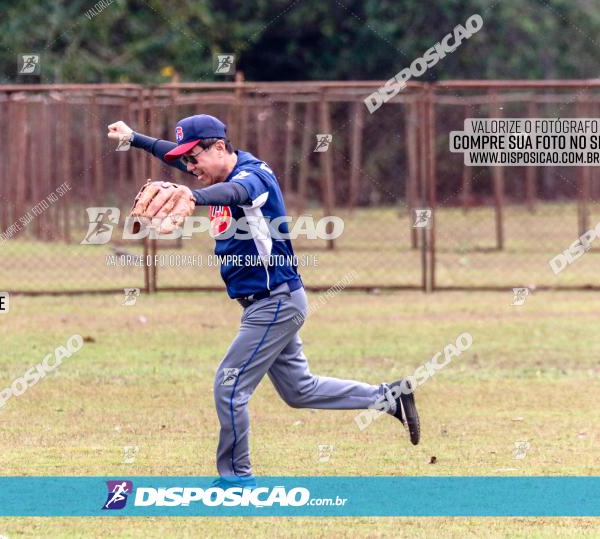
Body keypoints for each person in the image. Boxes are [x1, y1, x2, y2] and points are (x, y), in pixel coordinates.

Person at [106, 114, 420, 488]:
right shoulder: (213, 169)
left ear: (219, 147)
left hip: (275, 302)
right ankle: (389, 397)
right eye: (186, 161)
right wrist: (134, 138)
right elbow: (170, 154)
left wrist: (194, 196)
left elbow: (235, 194)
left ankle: (237, 480)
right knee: (299, 390)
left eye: (195, 158)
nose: (189, 167)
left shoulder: (253, 178)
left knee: (230, 385)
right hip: (269, 303)